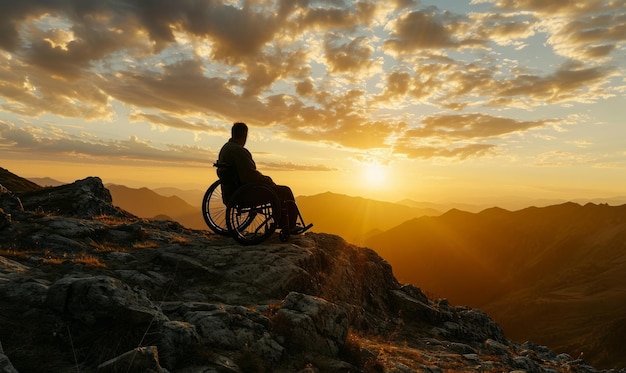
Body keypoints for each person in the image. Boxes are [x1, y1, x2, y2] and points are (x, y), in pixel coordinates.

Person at [218, 122, 298, 230]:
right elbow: (249, 176)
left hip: (230, 193)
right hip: (245, 194)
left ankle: (282, 222)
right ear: (245, 135)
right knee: (285, 191)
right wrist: (267, 180)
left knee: (277, 190)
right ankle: (289, 225)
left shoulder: (225, 149)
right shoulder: (239, 151)